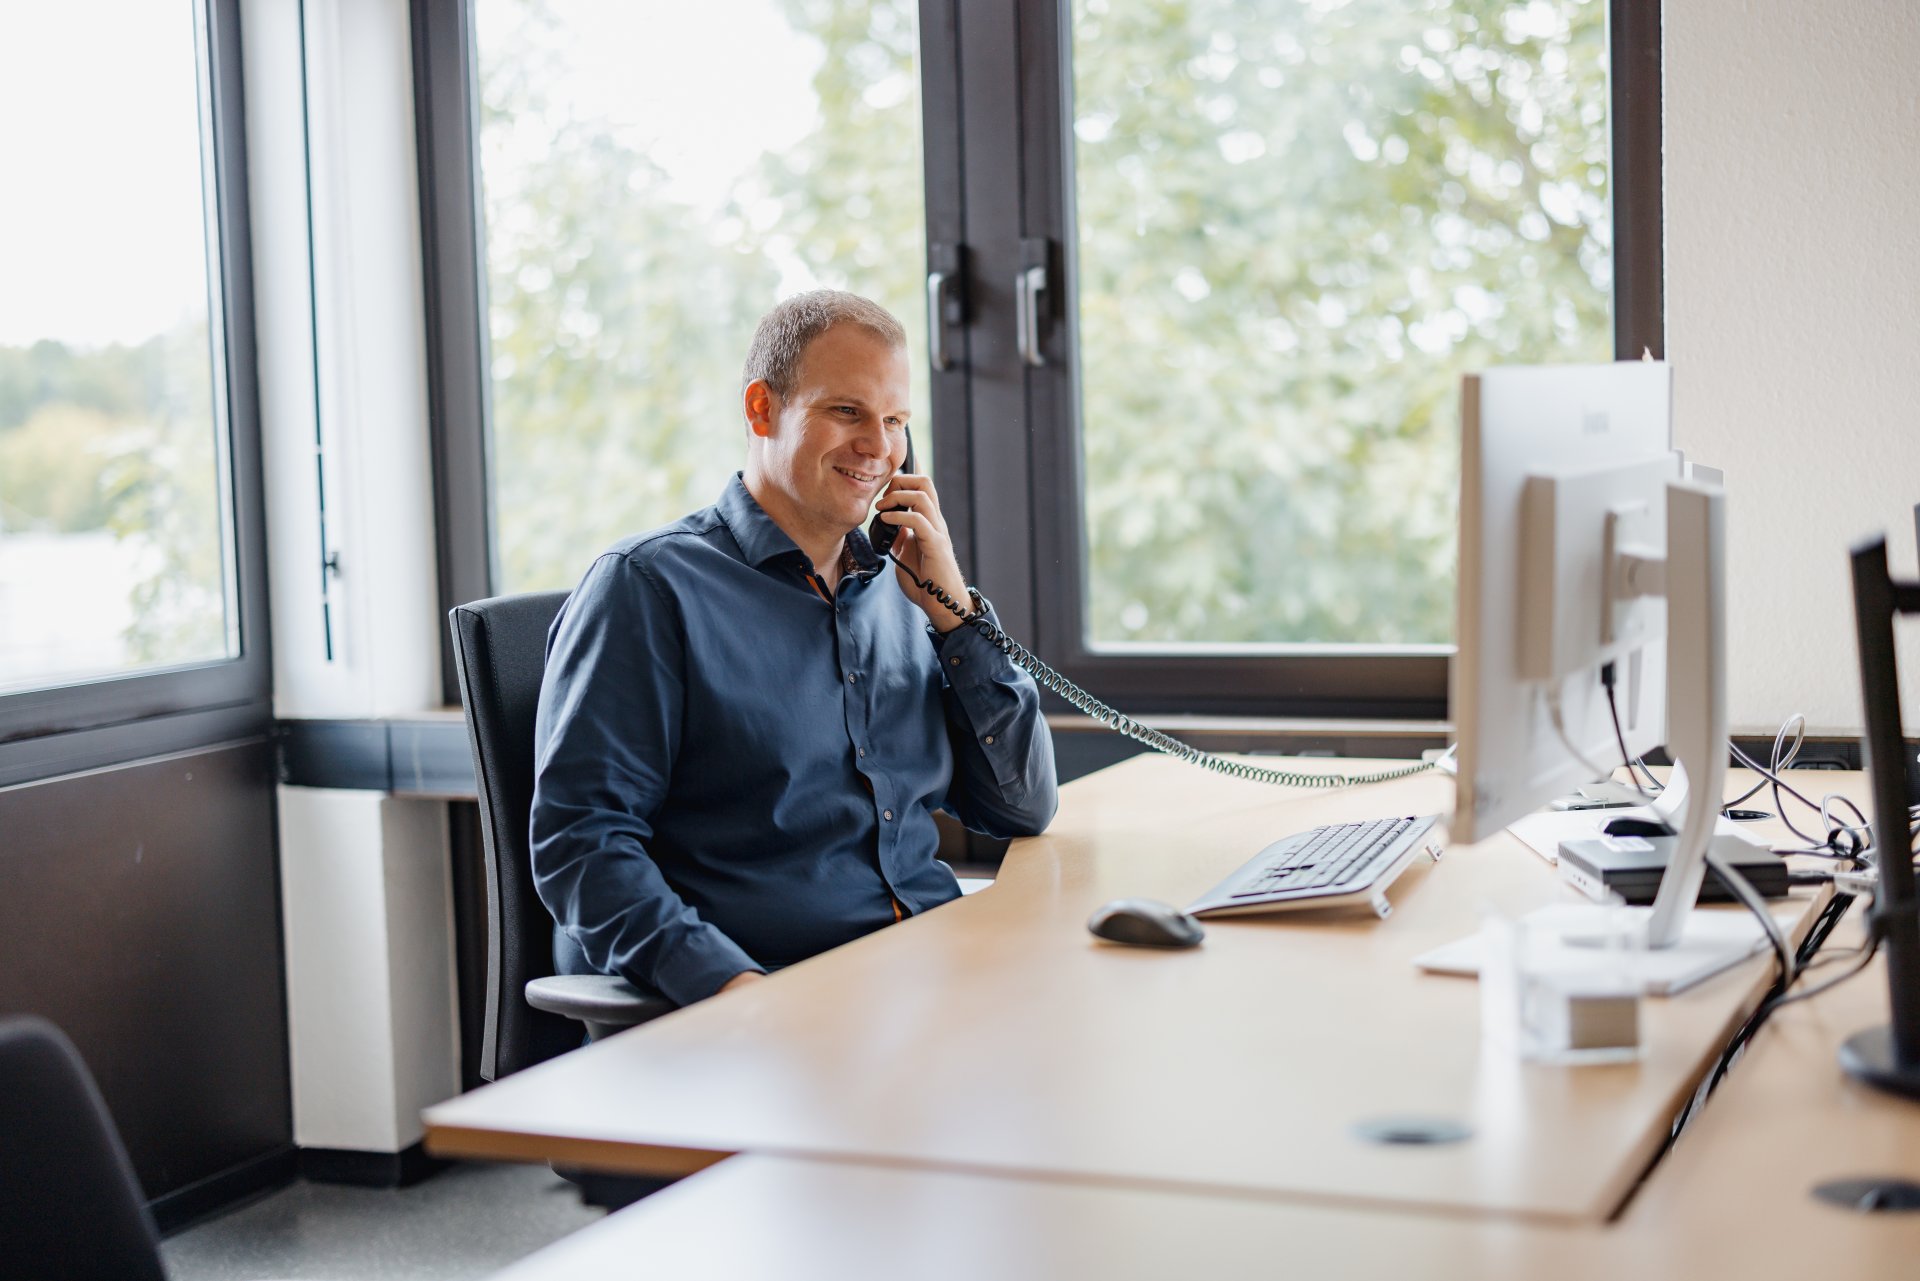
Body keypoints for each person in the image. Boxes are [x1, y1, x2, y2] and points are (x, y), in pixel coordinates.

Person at [530, 290, 1059, 1007]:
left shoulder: (904, 588)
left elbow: (1020, 807)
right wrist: (732, 988)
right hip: (770, 1008)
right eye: (847, 411)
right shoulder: (648, 588)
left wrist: (958, 618)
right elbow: (582, 845)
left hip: (926, 983)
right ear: (761, 409)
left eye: (897, 420)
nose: (879, 446)